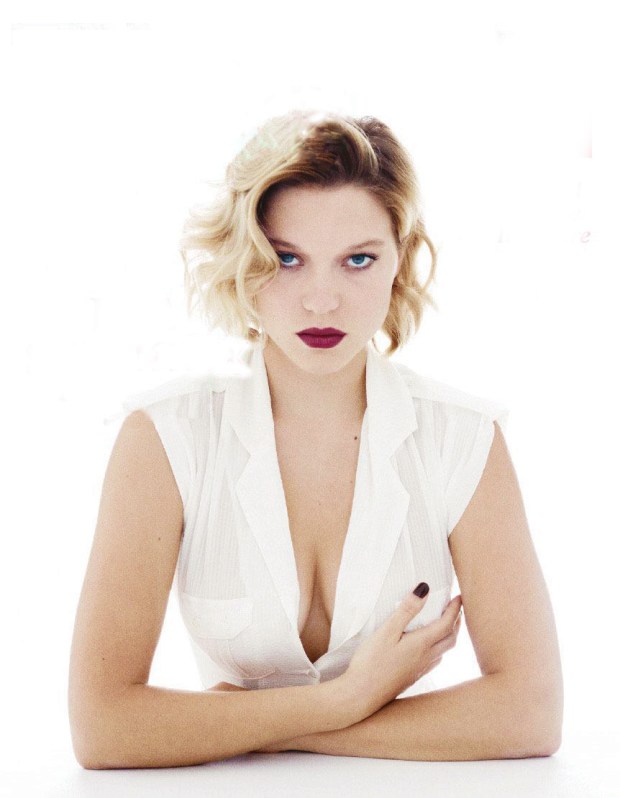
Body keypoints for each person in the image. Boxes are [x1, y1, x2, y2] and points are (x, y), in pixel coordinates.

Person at [68, 109, 563, 769]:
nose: (322, 301)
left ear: (400, 261)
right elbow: (102, 728)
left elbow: (530, 712)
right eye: (287, 259)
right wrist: (339, 702)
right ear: (244, 261)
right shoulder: (165, 438)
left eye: (358, 259)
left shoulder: (463, 438)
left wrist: (267, 725)